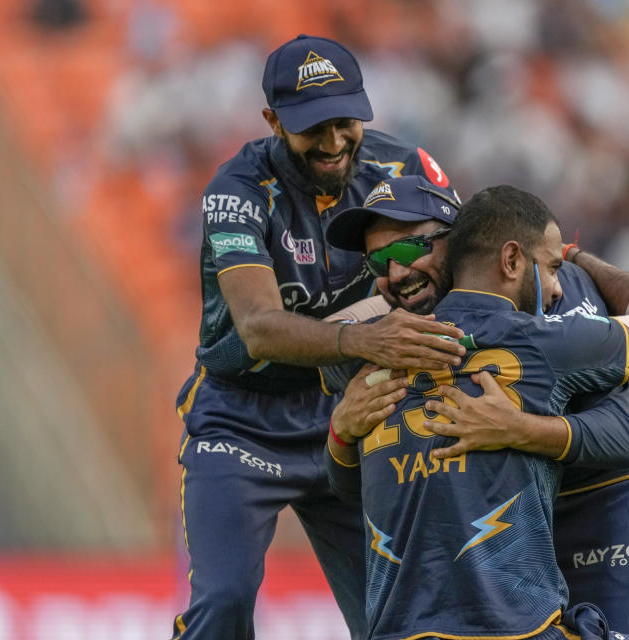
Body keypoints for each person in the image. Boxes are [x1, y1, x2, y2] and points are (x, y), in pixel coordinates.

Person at [325, 177, 629, 640]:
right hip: (538, 483)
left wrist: (516, 427)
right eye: (378, 261)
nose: (394, 275)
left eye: (408, 252)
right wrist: (341, 431)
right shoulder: (385, 337)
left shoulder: (561, 296)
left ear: (461, 243)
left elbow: (624, 433)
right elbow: (349, 478)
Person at [171, 35, 467, 640]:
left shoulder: (407, 169)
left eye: (344, 122)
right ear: (273, 121)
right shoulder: (236, 191)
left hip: (350, 413)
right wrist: (368, 341)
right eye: (313, 128)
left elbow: (468, 264)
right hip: (239, 420)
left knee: (399, 615)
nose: (334, 143)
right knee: (223, 604)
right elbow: (257, 328)